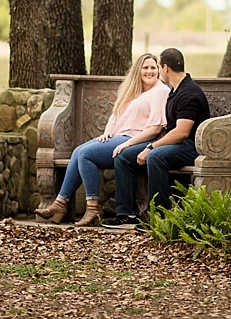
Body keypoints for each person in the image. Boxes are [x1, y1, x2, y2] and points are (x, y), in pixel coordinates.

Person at [34, 53, 168, 227]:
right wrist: (107, 133)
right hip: (118, 137)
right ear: (138, 70)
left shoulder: (160, 91)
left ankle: (93, 208)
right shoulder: (134, 90)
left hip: (135, 140)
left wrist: (127, 143)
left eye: (153, 67)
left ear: (159, 69)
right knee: (77, 151)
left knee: (85, 154)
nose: (149, 71)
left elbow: (156, 128)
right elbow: (115, 116)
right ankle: (60, 204)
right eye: (145, 67)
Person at [106, 47, 210, 228]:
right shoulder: (175, 91)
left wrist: (151, 147)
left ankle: (158, 219)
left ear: (166, 68)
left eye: (158, 67)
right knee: (124, 156)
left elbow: (182, 132)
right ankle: (127, 214)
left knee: (156, 156)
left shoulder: (189, 93)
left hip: (191, 146)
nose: (158, 71)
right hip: (176, 143)